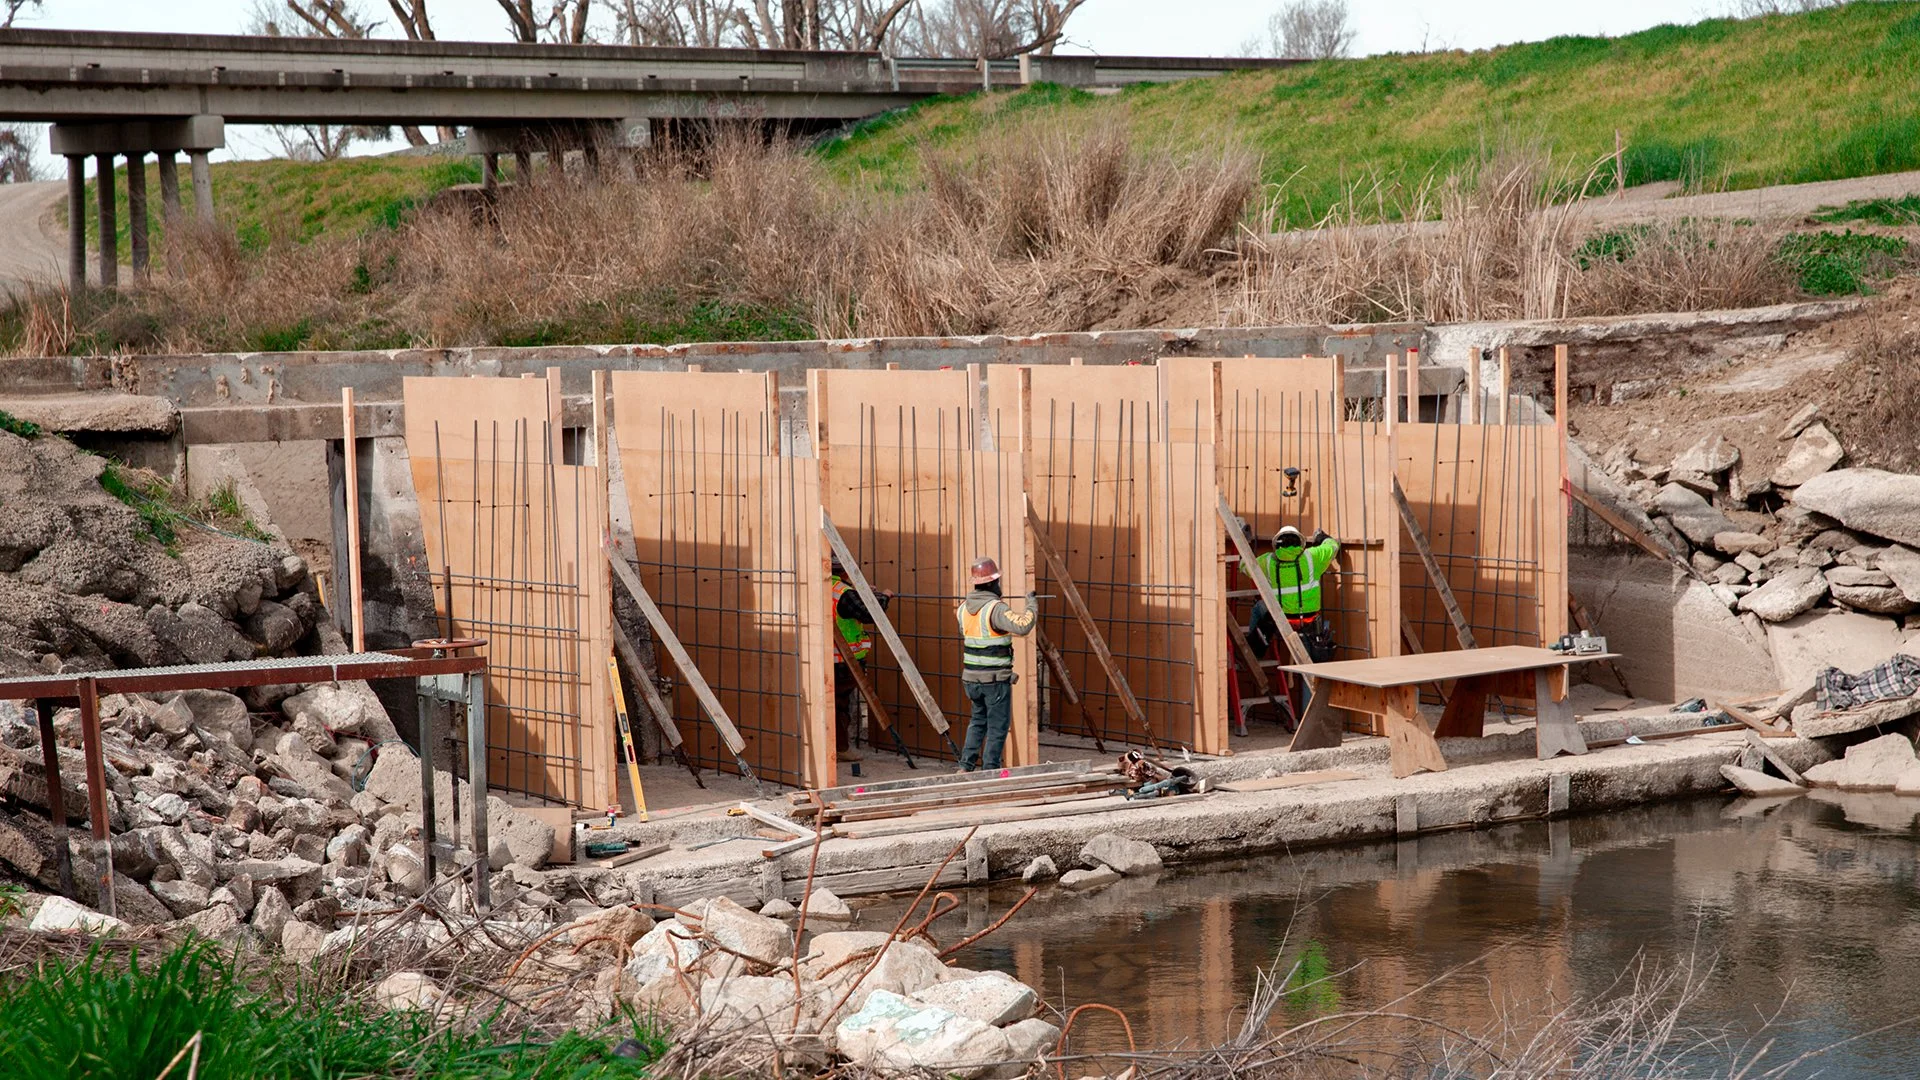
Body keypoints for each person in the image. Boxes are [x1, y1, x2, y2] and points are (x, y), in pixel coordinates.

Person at [1244, 525, 1340, 714]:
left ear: (1276, 544)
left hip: (1280, 625)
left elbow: (1244, 566)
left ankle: (1254, 649)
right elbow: (1333, 546)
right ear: (1300, 542)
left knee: (1258, 607)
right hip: (1309, 624)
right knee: (1313, 670)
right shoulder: (1312, 557)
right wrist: (1321, 537)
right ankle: (1309, 713)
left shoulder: (1267, 562)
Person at [954, 556, 1037, 772]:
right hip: (993, 681)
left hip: (971, 679)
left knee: (977, 721)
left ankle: (965, 766)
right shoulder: (995, 609)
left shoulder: (963, 608)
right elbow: (1023, 626)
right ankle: (990, 770)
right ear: (992, 583)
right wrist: (1032, 604)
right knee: (998, 727)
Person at [830, 555, 891, 762]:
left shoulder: (826, 587)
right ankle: (840, 748)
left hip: (826, 660)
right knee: (839, 706)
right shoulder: (843, 593)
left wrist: (863, 593)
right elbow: (869, 613)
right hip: (842, 662)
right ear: (845, 571)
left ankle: (836, 747)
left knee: (833, 706)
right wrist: (884, 597)